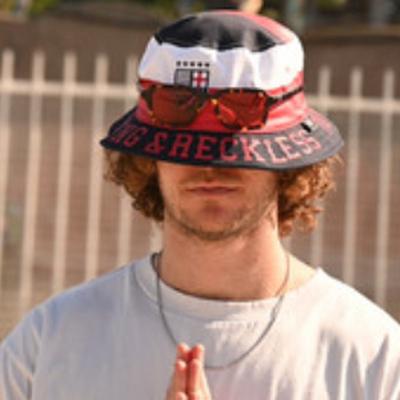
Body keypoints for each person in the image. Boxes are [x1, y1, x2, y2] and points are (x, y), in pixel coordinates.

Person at [1, 10, 400, 400]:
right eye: (184, 145)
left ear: (290, 165)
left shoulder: (373, 357)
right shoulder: (48, 342)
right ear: (149, 160)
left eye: (238, 144)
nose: (209, 165)